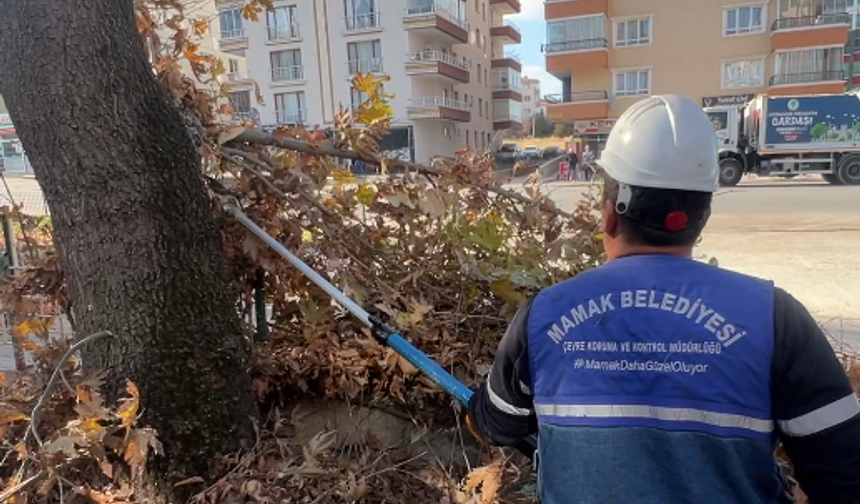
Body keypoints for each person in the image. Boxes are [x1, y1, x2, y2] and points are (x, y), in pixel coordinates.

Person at [465, 94, 860, 504]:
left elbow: (495, 425)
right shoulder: (775, 318)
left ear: (610, 214)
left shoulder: (543, 316)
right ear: (702, 217)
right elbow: (845, 477)